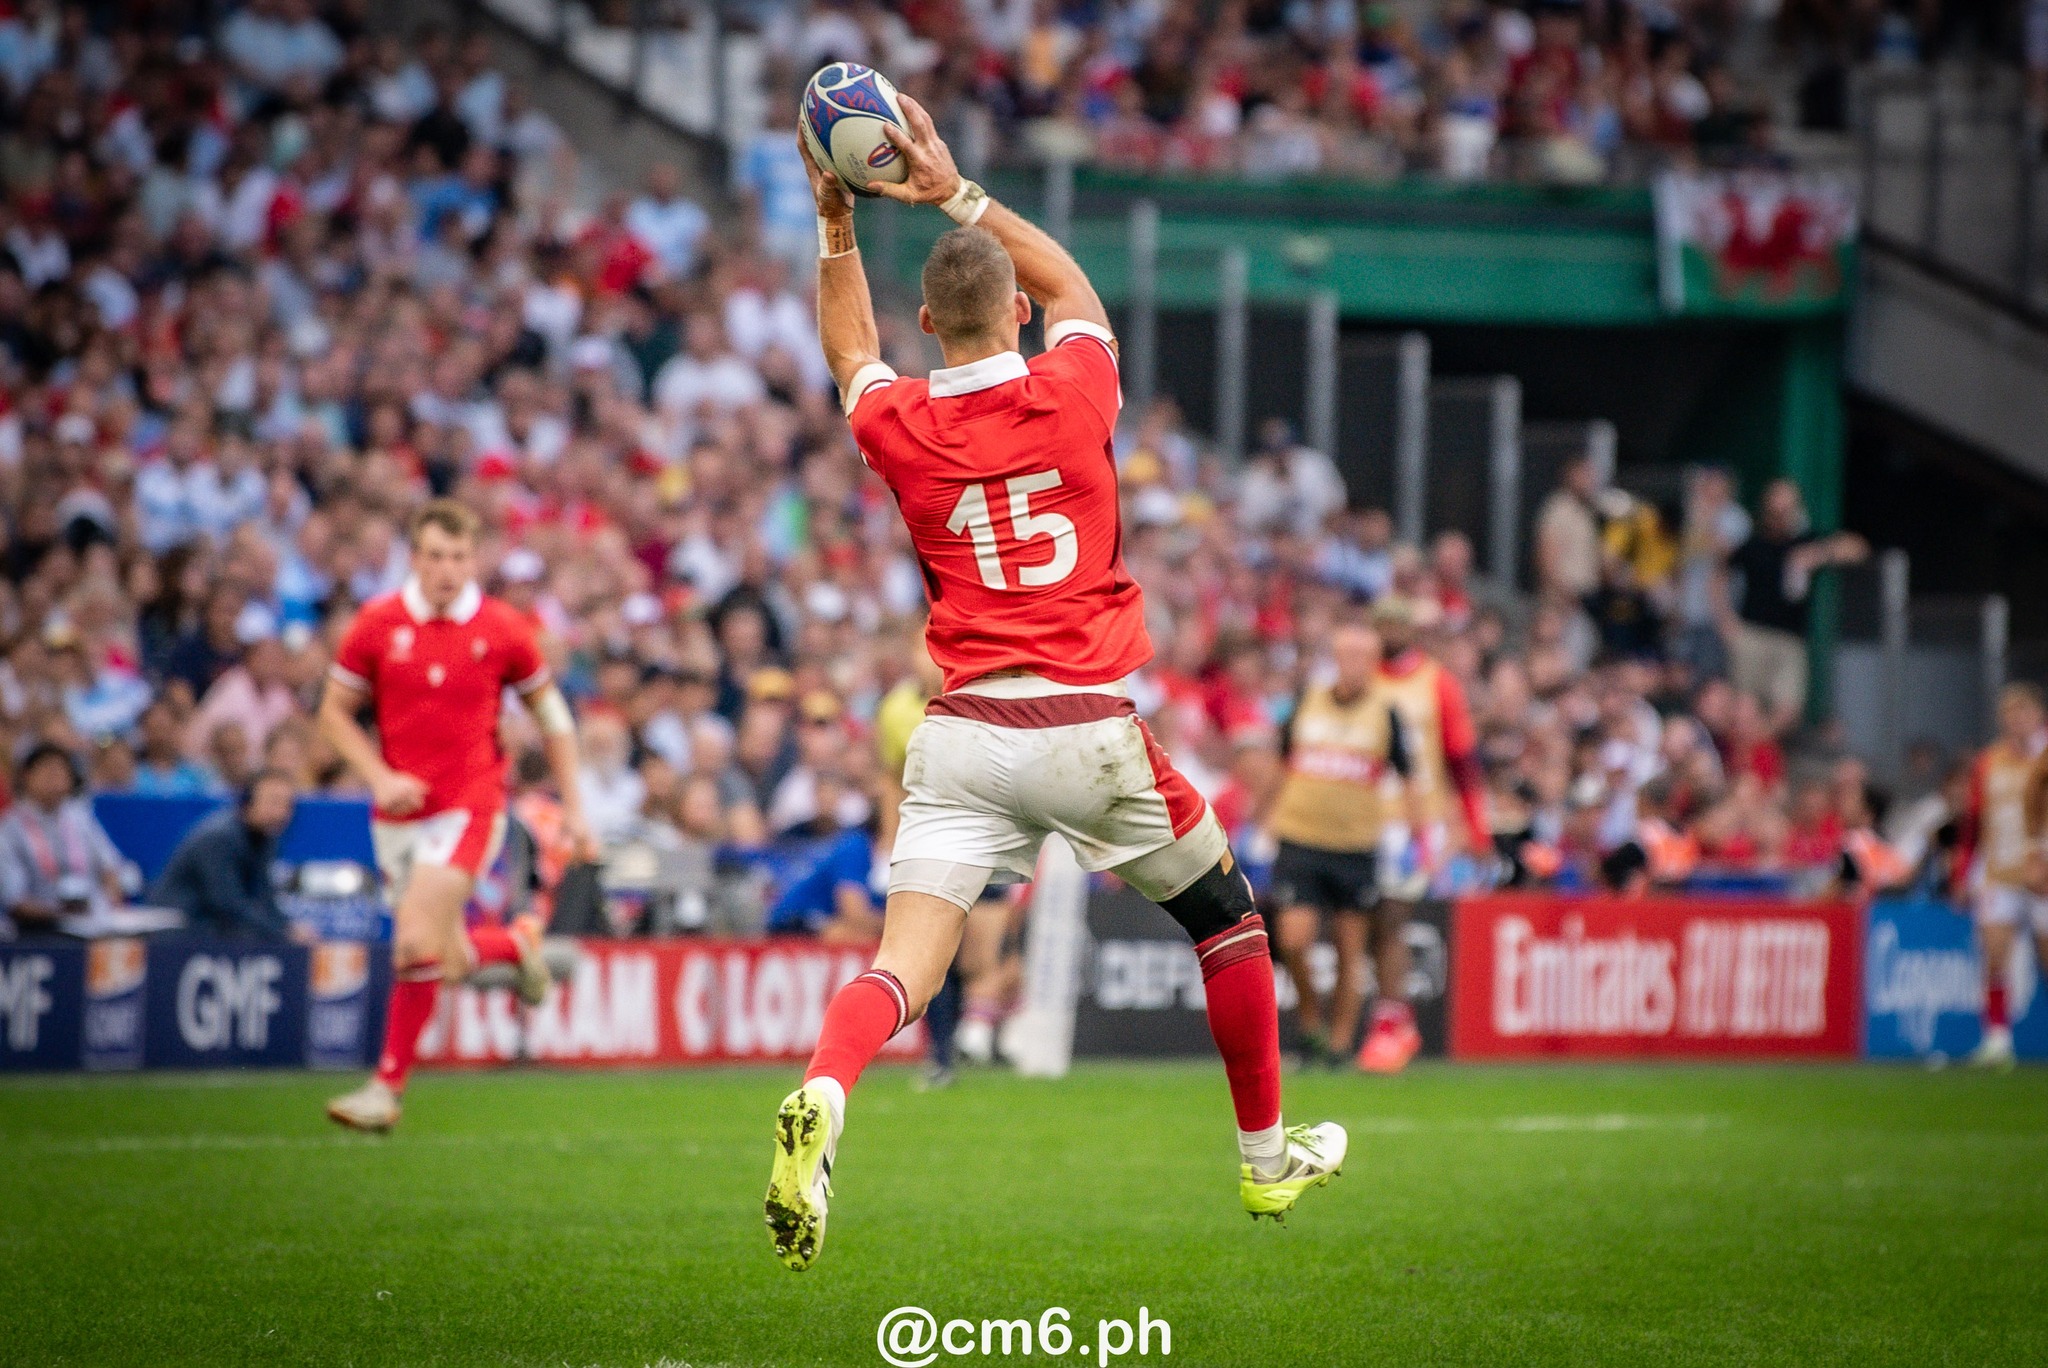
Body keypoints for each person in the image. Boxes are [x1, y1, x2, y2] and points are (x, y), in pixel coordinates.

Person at [762, 100, 1345, 1273]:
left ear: (926, 321)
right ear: (1014, 314)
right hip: (1083, 725)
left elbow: (844, 352)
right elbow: (1073, 285)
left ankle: (824, 1089)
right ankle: (1265, 1159)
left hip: (964, 732)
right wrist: (953, 190)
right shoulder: (1074, 385)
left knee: (901, 969)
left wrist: (835, 223)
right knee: (1225, 919)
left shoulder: (900, 423)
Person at [318, 500, 596, 1133]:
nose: (448, 570)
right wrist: (380, 777)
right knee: (434, 953)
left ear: (475, 561)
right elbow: (332, 713)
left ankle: (384, 1090)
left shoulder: (501, 628)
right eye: (436, 556)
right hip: (398, 816)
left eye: (460, 558)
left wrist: (576, 810)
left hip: (470, 808)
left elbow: (554, 722)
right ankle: (512, 944)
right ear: (415, 558)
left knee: (413, 942)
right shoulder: (376, 623)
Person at [1267, 621, 1411, 1067]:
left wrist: (1412, 835)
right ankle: (1311, 1021)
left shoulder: (1386, 713)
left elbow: (1406, 776)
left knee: (1352, 949)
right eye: (1346, 655)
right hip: (1300, 836)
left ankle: (1339, 1044)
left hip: (1355, 845)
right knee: (1293, 939)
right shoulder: (1307, 701)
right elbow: (1281, 759)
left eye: (1363, 657)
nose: (1354, 665)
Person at [1363, 595, 1489, 1073]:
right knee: (1368, 919)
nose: (1388, 633)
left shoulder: (1436, 683)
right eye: (1382, 625)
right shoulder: (1363, 679)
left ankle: (1390, 1022)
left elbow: (1461, 759)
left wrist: (1474, 825)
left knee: (1392, 914)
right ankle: (1393, 1016)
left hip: (1414, 823)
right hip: (1366, 816)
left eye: (1396, 624)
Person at [1953, 683, 2048, 1069]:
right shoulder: (1988, 762)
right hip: (1999, 870)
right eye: (2011, 714)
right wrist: (1963, 871)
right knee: (1993, 953)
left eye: (2024, 713)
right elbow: (1974, 821)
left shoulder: (2044, 759)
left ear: (2039, 716)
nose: (2017, 721)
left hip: (2042, 875)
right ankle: (1996, 1039)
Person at [1724, 479, 1868, 733]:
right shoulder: (1753, 544)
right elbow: (1719, 574)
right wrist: (1726, 621)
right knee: (1745, 705)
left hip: (1791, 638)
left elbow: (1858, 548)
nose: (1781, 516)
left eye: (1787, 509)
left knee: (1788, 710)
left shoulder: (1806, 541)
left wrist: (1819, 554)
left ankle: (1757, 746)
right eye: (1776, 510)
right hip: (1753, 633)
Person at [148, 771, 304, 941]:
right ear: (248, 802)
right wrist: (283, 933)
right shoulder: (219, 838)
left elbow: (264, 898)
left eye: (287, 805)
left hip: (212, 925)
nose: (281, 813)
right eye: (274, 802)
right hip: (178, 927)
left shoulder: (267, 838)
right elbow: (227, 904)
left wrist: (288, 927)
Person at [0, 743, 135, 937]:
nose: (55, 776)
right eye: (47, 769)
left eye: (61, 770)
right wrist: (63, 914)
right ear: (26, 776)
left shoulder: (81, 818)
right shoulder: (9, 829)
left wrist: (108, 902)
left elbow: (111, 868)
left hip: (92, 925)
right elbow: (14, 901)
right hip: (36, 933)